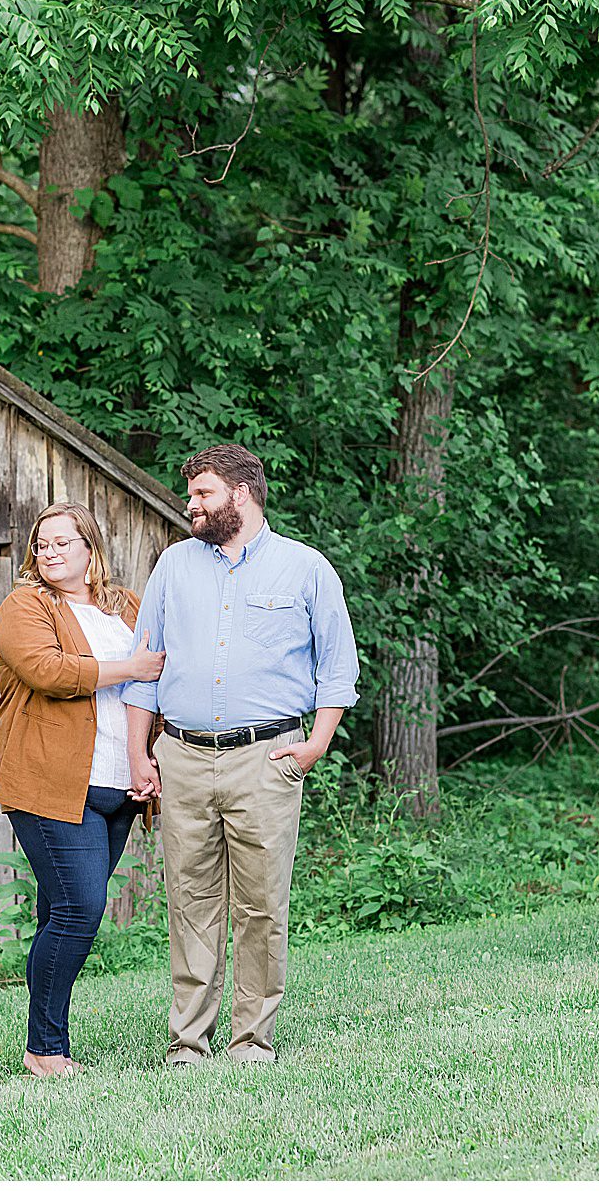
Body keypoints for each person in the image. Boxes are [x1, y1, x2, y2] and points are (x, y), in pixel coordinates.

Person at [122, 443, 360, 1065]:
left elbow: (338, 669)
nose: (191, 505)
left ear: (243, 493)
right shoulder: (173, 567)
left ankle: (252, 1039)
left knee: (261, 905)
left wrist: (313, 746)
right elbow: (146, 670)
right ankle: (188, 1042)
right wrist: (139, 755)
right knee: (191, 902)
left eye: (203, 494)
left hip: (268, 759)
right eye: (192, 494)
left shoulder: (306, 569)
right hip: (183, 756)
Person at [0, 500, 166, 1078]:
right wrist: (131, 669)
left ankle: (44, 1041)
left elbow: (165, 676)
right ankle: (45, 1049)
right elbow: (50, 673)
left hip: (120, 783)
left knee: (58, 912)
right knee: (80, 909)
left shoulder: (127, 609)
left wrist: (150, 759)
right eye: (41, 543)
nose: (49, 552)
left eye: (63, 541)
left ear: (91, 548)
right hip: (52, 783)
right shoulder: (26, 607)